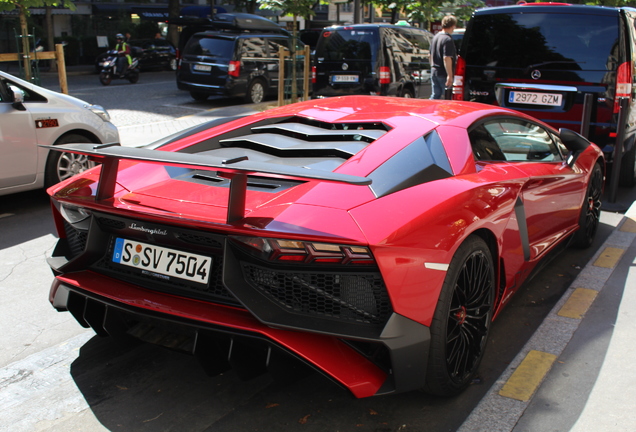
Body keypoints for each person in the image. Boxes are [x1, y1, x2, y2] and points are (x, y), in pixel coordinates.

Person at [429, 15, 457, 100]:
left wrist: (432, 66)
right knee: (446, 97)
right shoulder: (447, 39)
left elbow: (429, 55)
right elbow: (447, 58)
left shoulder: (436, 37)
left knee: (435, 95)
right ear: (453, 26)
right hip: (443, 73)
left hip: (434, 70)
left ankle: (430, 111)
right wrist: (450, 75)